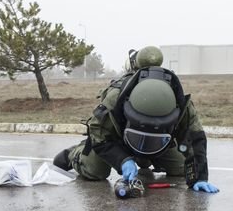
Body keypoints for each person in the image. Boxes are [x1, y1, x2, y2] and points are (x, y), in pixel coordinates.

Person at [53, 46, 219, 193]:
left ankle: (144, 158)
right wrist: (122, 160)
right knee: (95, 172)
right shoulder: (115, 97)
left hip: (159, 144)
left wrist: (199, 177)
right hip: (118, 141)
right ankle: (75, 153)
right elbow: (99, 133)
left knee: (182, 169)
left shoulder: (180, 102)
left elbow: (195, 137)